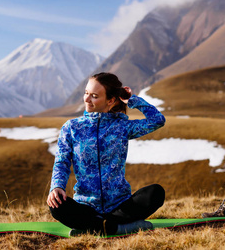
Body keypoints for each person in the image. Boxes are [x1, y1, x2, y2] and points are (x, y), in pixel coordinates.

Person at [47, 72, 166, 236]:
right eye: (86, 93)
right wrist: (57, 186)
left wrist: (132, 100)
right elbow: (62, 162)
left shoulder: (122, 126)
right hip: (86, 207)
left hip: (120, 205)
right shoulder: (71, 127)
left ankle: (95, 227)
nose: (87, 99)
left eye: (94, 96)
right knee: (57, 206)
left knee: (156, 192)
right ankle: (117, 228)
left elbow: (157, 120)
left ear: (110, 100)